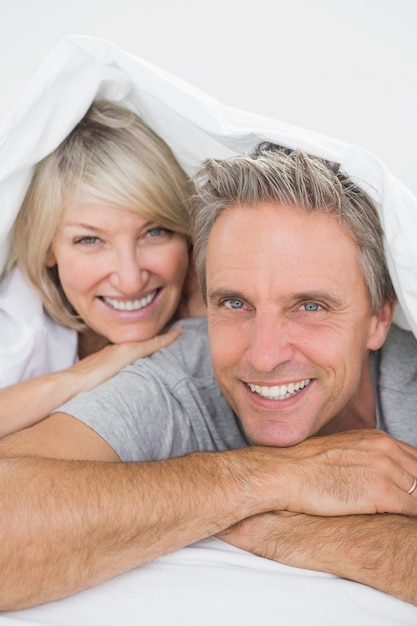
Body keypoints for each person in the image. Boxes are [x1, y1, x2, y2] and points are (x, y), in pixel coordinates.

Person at [1, 145, 417, 612]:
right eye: (235, 304)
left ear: (380, 318)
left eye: (310, 307)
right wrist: (277, 479)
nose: (263, 356)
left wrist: (313, 533)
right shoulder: (177, 373)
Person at [0, 99, 204, 437]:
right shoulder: (15, 333)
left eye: (155, 232)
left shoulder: (220, 314)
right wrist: (81, 375)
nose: (129, 280)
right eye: (90, 240)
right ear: (48, 249)